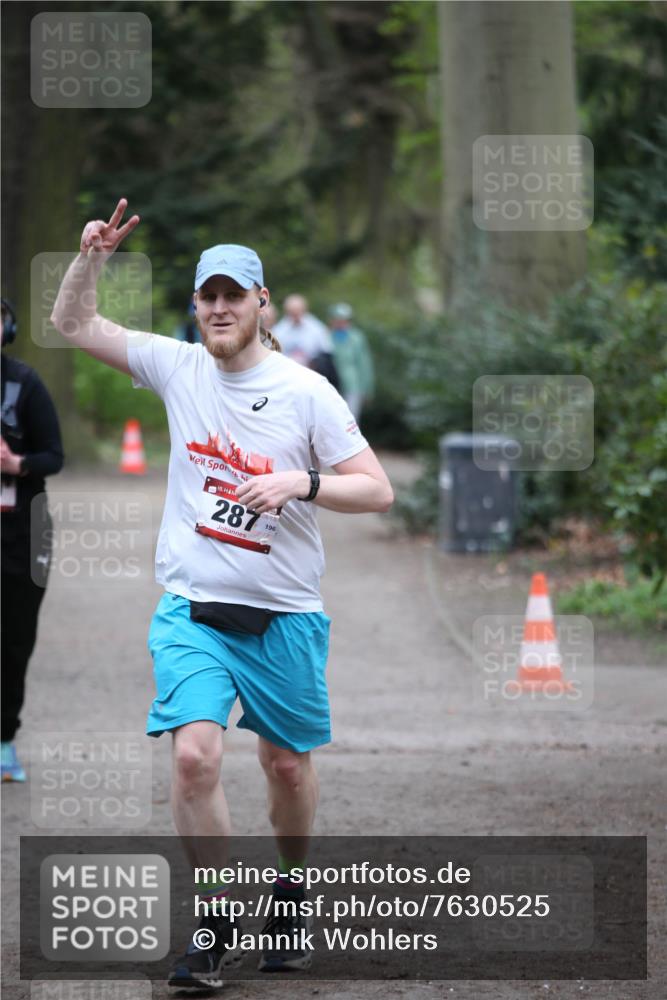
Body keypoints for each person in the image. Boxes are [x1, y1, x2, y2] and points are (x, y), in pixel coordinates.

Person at [50, 200, 394, 989]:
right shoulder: (177, 367)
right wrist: (89, 259)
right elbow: (74, 324)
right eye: (206, 295)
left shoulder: (306, 393)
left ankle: (290, 891)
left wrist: (300, 483)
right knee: (195, 760)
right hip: (193, 609)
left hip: (284, 618)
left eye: (232, 295)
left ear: (260, 303)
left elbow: (376, 492)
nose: (217, 308)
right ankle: (212, 923)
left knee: (283, 768)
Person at [1, 298, 64, 781]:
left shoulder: (25, 383)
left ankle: (4, 741)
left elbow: (53, 456)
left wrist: (16, 465)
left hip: (22, 532)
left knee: (14, 640)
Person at [328, 302, 375, 422]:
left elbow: (364, 364)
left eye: (344, 320)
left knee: (351, 419)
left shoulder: (357, 338)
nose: (340, 323)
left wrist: (367, 388)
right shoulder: (326, 336)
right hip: (331, 384)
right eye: (337, 320)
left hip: (352, 384)